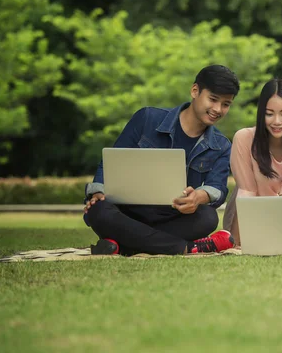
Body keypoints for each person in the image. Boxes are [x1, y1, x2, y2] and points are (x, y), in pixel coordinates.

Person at [83, 65, 240, 255]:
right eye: (213, 99)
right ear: (195, 91)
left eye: (226, 104)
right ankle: (185, 247)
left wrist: (199, 197)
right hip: (127, 212)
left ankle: (121, 243)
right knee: (98, 210)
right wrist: (98, 191)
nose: (218, 109)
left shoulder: (222, 145)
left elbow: (218, 188)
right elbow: (110, 163)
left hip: (174, 216)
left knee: (207, 217)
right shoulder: (147, 118)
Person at [222, 79, 282, 245]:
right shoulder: (244, 138)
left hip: (281, 210)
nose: (277, 121)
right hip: (246, 212)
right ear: (261, 113)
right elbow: (246, 193)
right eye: (269, 113)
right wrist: (238, 241)